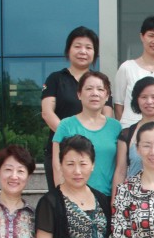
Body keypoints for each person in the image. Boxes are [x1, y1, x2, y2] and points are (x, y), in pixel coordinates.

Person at [41, 26, 113, 191]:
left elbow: (108, 114)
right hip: (62, 149)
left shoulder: (99, 82)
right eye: (77, 46)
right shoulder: (56, 79)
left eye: (88, 47)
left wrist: (90, 141)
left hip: (93, 152)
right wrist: (73, 139)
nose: (83, 51)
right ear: (68, 50)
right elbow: (47, 112)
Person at [51, 71, 121, 199]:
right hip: (73, 198)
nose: (95, 93)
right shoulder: (66, 125)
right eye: (89, 89)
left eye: (100, 89)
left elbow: (120, 167)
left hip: (107, 198)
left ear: (107, 96)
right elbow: (57, 166)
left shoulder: (116, 127)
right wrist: (64, 200)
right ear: (79, 94)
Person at [113, 16, 154, 127]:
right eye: (151, 35)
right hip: (129, 129)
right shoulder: (127, 67)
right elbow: (118, 105)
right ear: (142, 36)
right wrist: (128, 131)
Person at [112, 76, 154, 192]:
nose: (149, 102)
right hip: (134, 197)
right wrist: (115, 200)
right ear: (136, 100)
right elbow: (120, 171)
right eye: (144, 97)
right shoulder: (127, 134)